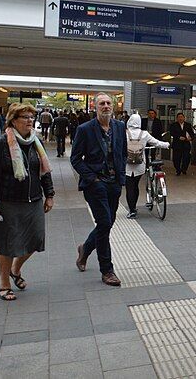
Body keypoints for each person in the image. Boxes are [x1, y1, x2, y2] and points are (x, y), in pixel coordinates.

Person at [0, 103, 55, 301]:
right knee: (7, 245)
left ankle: (15, 269)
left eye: (31, 117)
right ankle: (4, 284)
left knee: (36, 239)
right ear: (13, 120)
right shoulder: (0, 143)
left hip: (33, 199)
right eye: (24, 117)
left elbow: (44, 171)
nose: (29, 121)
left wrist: (49, 194)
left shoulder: (36, 142)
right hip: (8, 201)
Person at [70, 92, 126, 287]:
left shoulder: (119, 127)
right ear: (95, 107)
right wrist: (92, 179)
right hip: (95, 185)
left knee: (107, 224)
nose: (106, 106)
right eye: (102, 103)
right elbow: (75, 159)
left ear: (113, 106)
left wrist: (121, 178)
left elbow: (122, 153)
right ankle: (107, 270)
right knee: (104, 223)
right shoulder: (85, 129)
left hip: (114, 184)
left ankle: (85, 248)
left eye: (109, 103)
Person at [124, 113, 169, 219]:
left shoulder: (124, 133)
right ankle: (135, 207)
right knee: (136, 185)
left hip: (127, 165)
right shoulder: (144, 134)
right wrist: (166, 144)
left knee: (129, 187)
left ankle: (132, 210)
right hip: (140, 164)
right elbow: (156, 143)